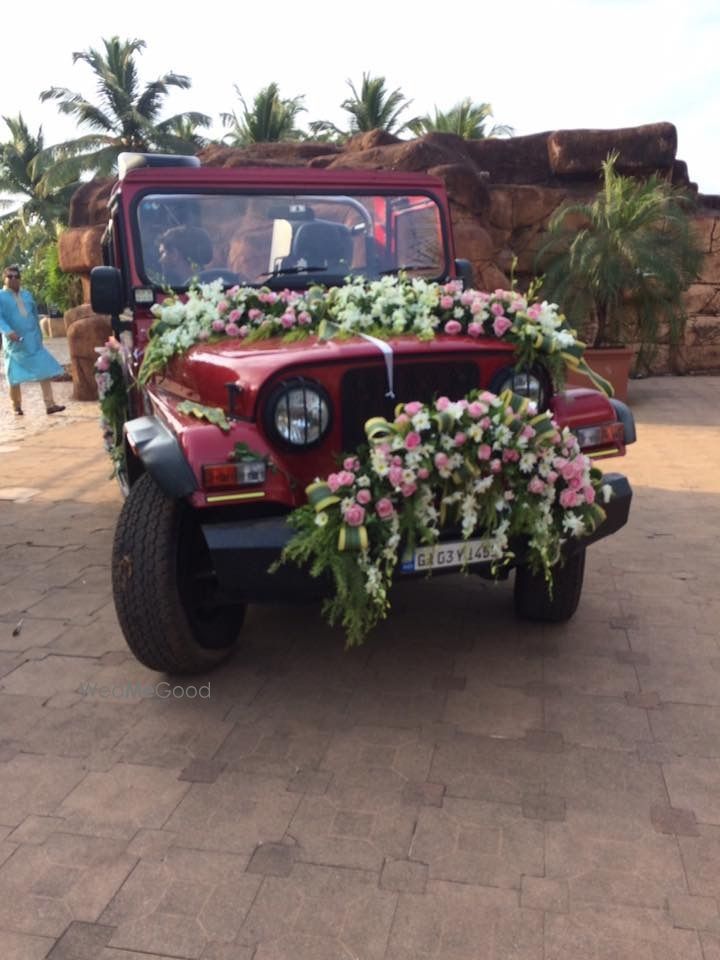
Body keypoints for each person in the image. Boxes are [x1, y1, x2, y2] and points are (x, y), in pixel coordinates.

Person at [0, 265, 65, 416]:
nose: (14, 279)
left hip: (33, 341)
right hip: (14, 344)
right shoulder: (1, 297)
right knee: (14, 376)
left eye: (17, 276)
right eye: (10, 276)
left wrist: (39, 336)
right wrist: (9, 332)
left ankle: (50, 404)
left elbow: (34, 316)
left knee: (43, 369)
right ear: (4, 278)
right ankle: (16, 406)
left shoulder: (27, 295)